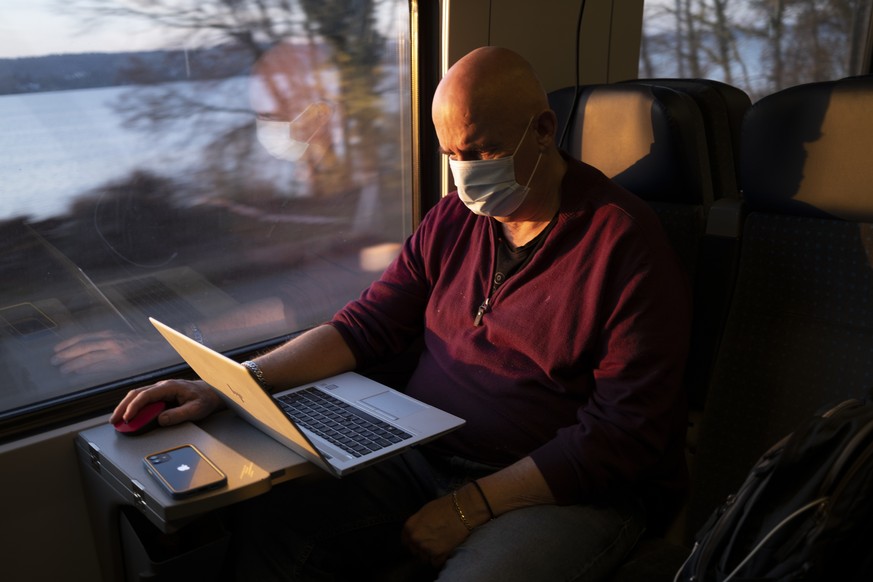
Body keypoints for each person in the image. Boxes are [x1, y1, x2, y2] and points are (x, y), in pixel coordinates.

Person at [111, 46, 691, 581]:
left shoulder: (624, 245)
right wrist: (230, 387)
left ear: (543, 130)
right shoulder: (453, 220)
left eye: (484, 152)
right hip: (422, 454)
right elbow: (368, 325)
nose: (466, 174)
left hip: (563, 489)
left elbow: (624, 433)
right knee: (276, 517)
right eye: (451, 156)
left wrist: (471, 506)